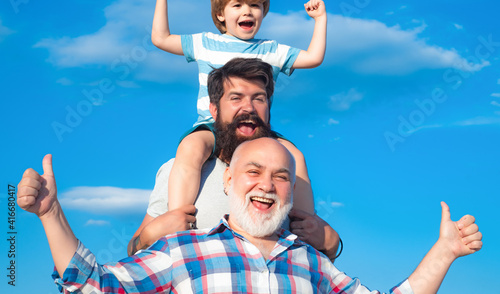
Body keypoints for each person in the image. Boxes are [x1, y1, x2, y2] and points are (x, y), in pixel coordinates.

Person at [17, 138, 483, 293]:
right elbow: (96, 287)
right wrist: (51, 214)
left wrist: (443, 253)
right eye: (254, 171)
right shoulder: (183, 252)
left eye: (281, 177)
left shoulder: (313, 265)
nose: (267, 184)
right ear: (228, 182)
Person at [151, 0, 327, 214]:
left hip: (258, 128)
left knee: (295, 156)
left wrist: (320, 20)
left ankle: (306, 223)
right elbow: (160, 38)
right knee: (190, 149)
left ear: (263, 12)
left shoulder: (271, 50)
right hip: (211, 125)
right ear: (220, 14)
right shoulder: (205, 43)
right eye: (237, 5)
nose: (247, 11)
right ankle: (179, 217)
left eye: (255, 5)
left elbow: (314, 57)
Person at [127, 58, 339, 261]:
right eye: (236, 98)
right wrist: (147, 239)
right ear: (214, 109)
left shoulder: (283, 177)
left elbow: (311, 263)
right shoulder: (178, 168)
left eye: (259, 98)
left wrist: (331, 245)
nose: (249, 108)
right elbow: (133, 251)